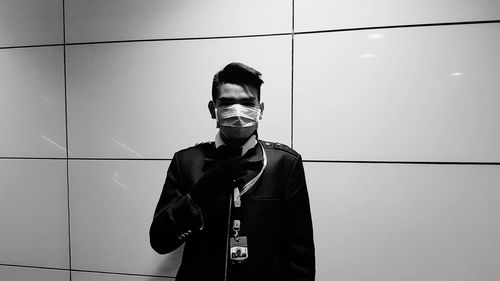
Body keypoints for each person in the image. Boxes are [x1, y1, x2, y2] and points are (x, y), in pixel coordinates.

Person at [149, 62, 315, 281]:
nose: (237, 111)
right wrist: (197, 197)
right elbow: (160, 241)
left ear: (260, 110)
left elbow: (300, 254)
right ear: (212, 109)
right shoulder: (187, 161)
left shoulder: (284, 163)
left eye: (247, 103)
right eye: (227, 103)